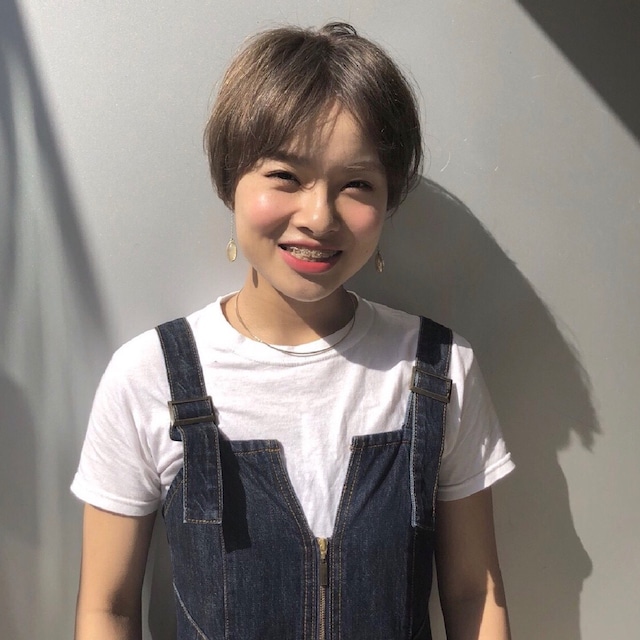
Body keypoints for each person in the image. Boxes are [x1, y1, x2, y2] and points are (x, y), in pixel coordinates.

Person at [72, 22, 514, 640]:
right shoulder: (149, 376)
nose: (318, 216)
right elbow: (107, 606)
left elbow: (474, 593)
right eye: (285, 175)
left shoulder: (439, 370)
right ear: (231, 179)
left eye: (356, 184)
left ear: (389, 200)